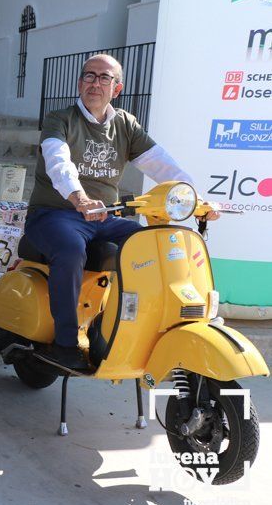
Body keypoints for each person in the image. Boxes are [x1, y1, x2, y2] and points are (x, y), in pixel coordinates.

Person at [25, 53, 218, 370]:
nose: (95, 83)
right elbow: (58, 162)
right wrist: (79, 198)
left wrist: (197, 197)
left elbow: (161, 163)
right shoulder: (60, 119)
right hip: (55, 213)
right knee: (71, 250)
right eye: (89, 75)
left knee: (155, 244)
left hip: (104, 217)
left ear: (117, 88)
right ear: (79, 82)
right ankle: (64, 344)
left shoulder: (125, 125)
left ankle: (131, 329)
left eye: (104, 78)